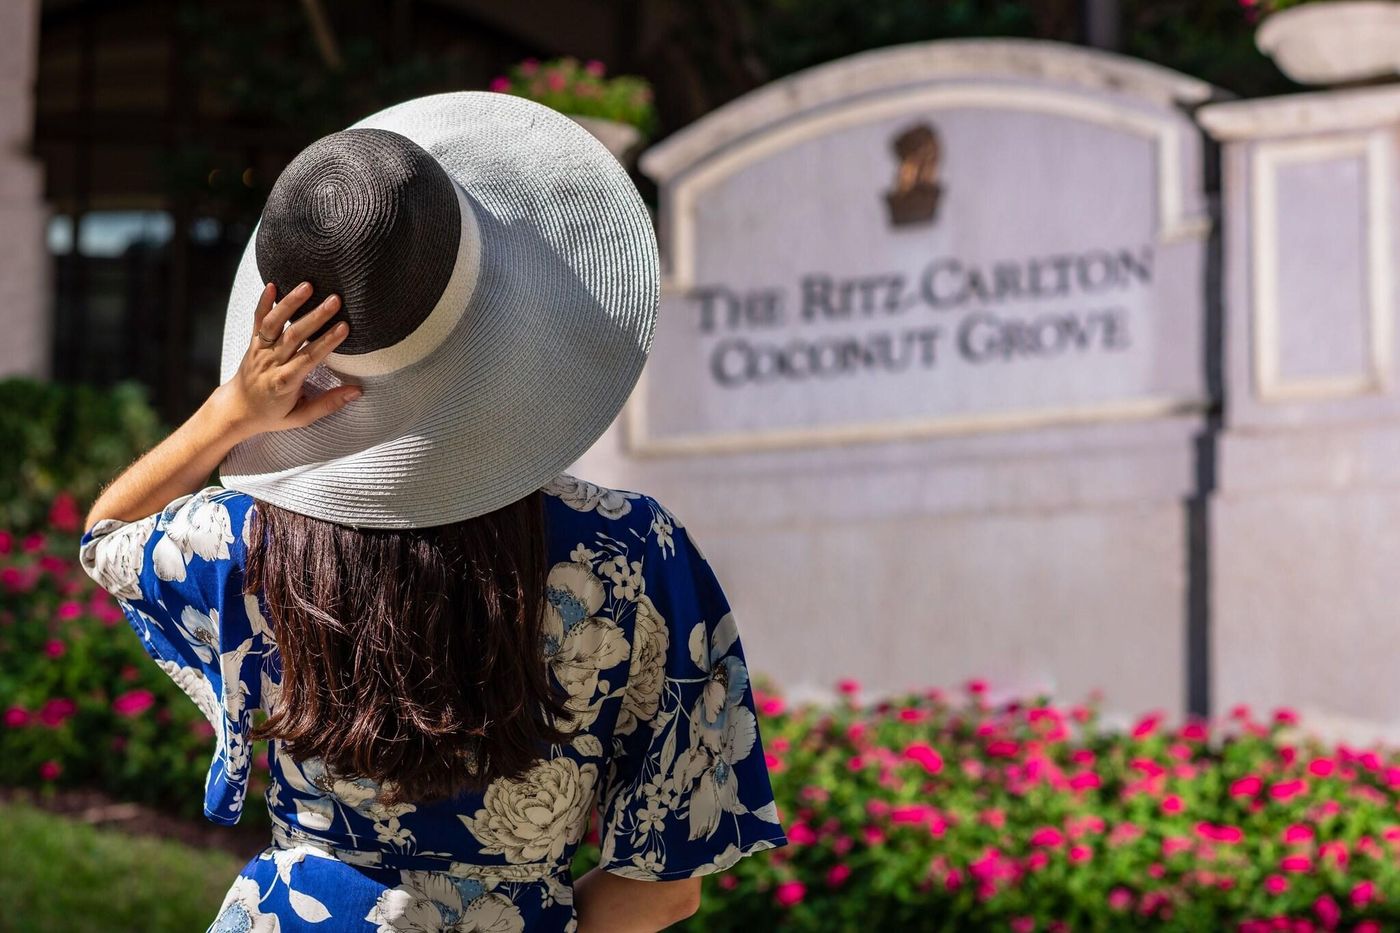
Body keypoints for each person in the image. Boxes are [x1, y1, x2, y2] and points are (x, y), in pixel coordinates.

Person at [77, 91, 787, 933]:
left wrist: (235, 411)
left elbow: (107, 535)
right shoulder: (631, 554)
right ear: (504, 315)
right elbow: (666, 886)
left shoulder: (248, 541)